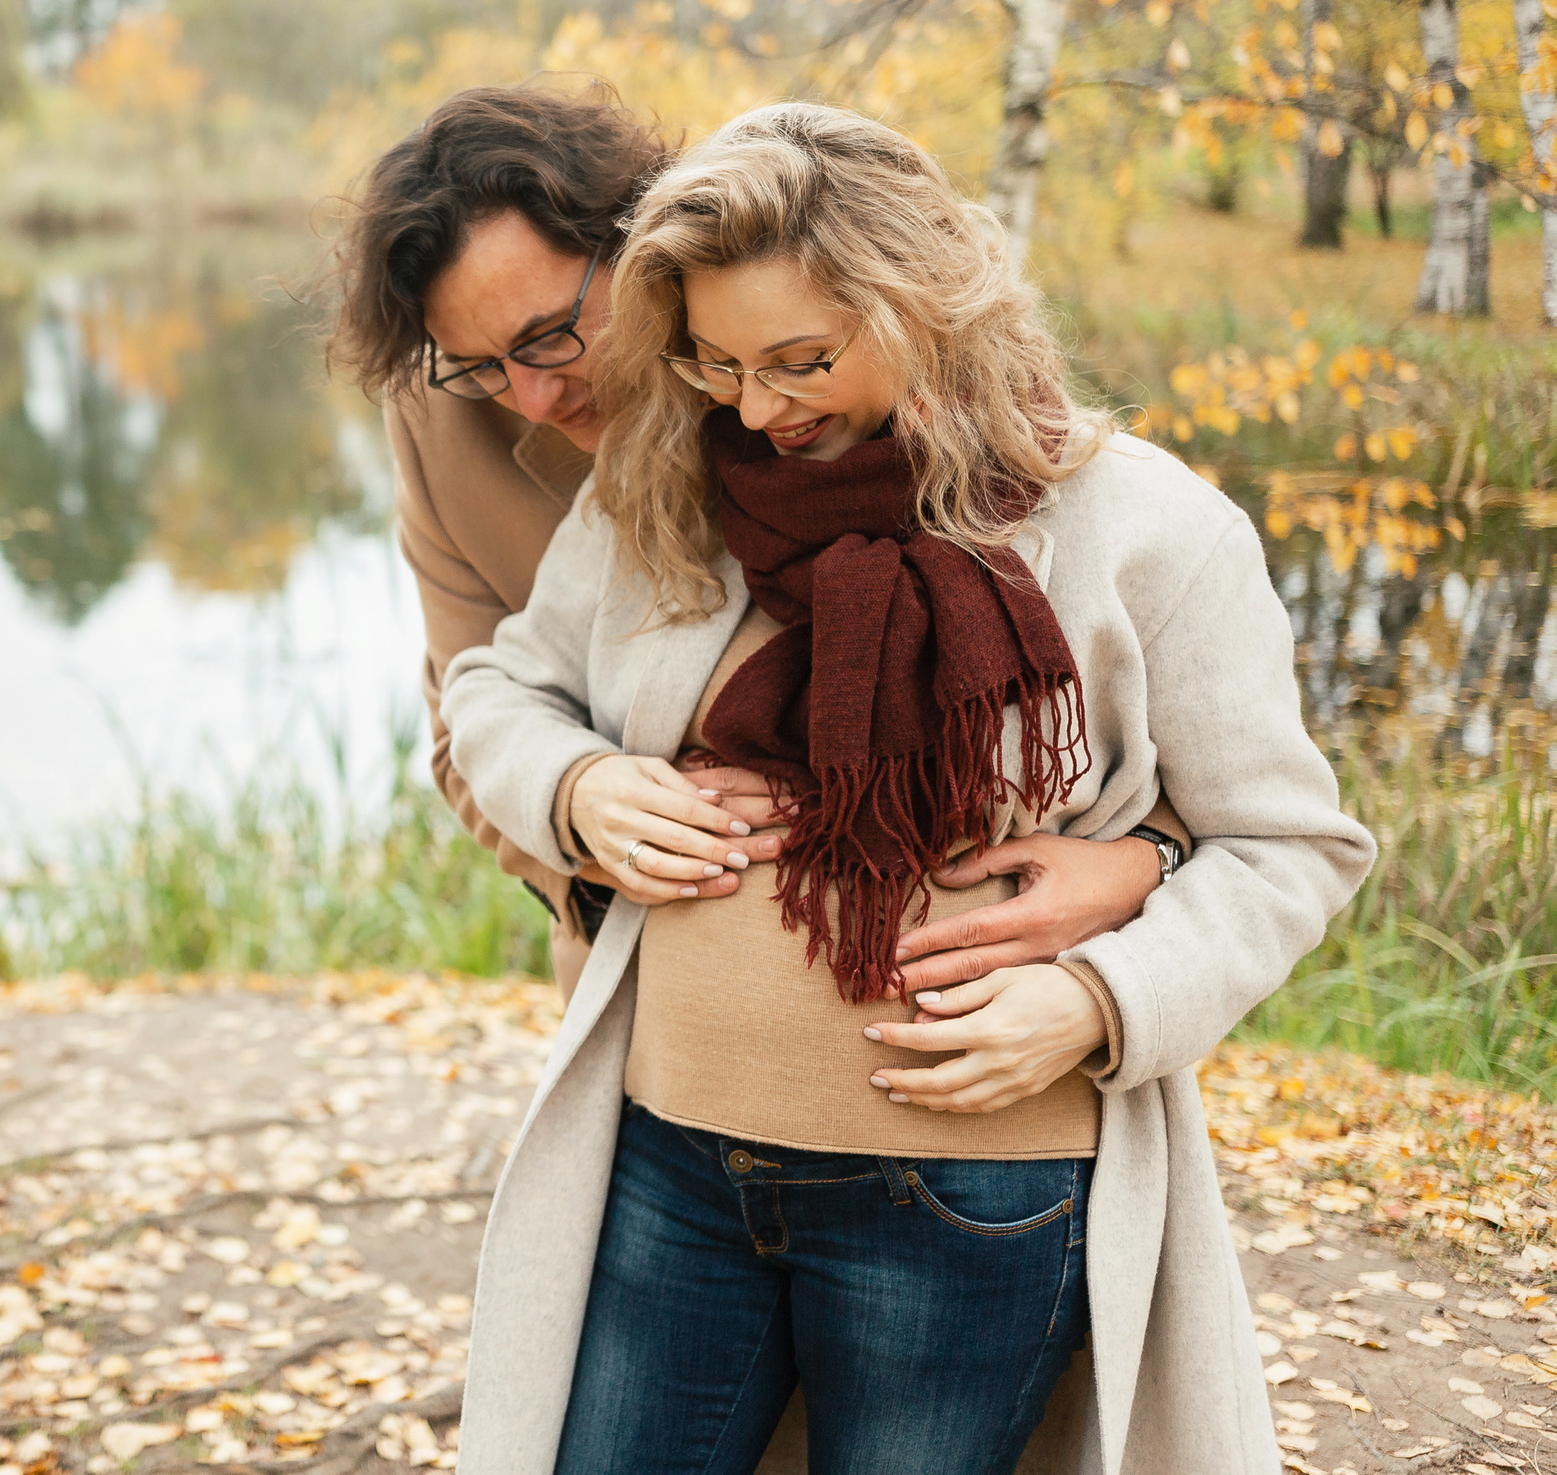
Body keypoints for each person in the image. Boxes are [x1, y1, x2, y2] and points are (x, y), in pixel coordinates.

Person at [437, 102, 1376, 1474]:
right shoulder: (670, 494)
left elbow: (1290, 845)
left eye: (800, 358)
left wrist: (1098, 998)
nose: (756, 409)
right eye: (717, 364)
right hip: (673, 1161)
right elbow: (496, 690)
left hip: (975, 1195)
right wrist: (578, 787)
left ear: (927, 306)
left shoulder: (1142, 528)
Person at [329, 82, 1179, 1006]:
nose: (530, 397)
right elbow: (470, 721)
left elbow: (1158, 718)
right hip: (637, 1019)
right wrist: (587, 817)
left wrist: (1149, 859)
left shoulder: (868, 379)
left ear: (643, 249)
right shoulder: (446, 426)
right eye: (482, 364)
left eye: (549, 336)